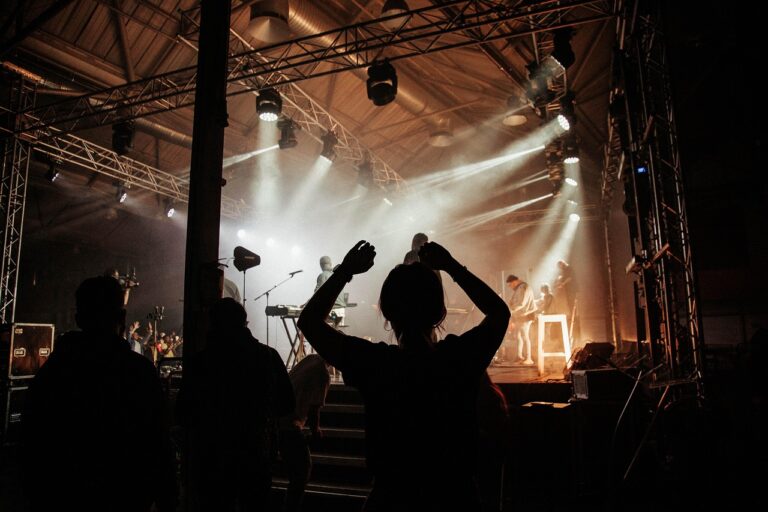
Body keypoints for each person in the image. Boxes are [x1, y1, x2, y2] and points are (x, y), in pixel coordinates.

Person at [298, 240, 510, 511]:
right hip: (455, 496)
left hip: (392, 497)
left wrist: (345, 272)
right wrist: (452, 267)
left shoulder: (376, 364)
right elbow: (500, 313)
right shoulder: (457, 359)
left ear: (386, 312)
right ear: (439, 313)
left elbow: (309, 322)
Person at [22, 276, 176, 512]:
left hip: (64, 496)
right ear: (122, 319)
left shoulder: (55, 371)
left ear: (78, 318)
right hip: (125, 496)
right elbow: (159, 444)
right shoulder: (138, 372)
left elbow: (32, 438)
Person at [177, 298, 294, 512]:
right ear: (244, 323)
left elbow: (183, 413)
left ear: (213, 324)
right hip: (255, 451)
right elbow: (287, 404)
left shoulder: (200, 363)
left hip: (211, 456)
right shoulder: (268, 356)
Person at [278, 354, 331, 512]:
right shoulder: (323, 374)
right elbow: (314, 409)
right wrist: (316, 432)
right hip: (290, 424)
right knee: (302, 471)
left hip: (279, 418)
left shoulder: (311, 359)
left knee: (296, 471)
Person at [506, 274, 536, 365]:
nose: (510, 287)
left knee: (524, 336)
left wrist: (511, 310)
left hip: (525, 315)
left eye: (510, 285)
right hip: (520, 315)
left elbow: (522, 303)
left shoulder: (523, 287)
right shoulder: (520, 288)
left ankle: (529, 358)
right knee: (518, 336)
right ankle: (520, 357)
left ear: (514, 281)